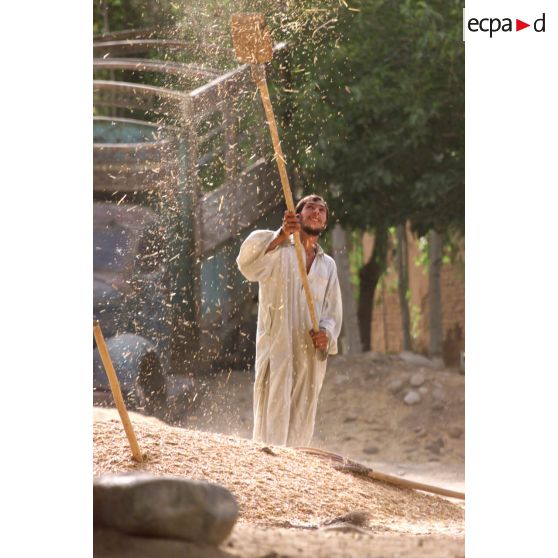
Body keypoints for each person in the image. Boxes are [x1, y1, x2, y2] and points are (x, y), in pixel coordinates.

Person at [236, 194, 342, 447]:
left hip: (308, 352)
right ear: (297, 214)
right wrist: (282, 234)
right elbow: (247, 265)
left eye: (321, 210)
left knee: (302, 415)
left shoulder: (328, 266)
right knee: (274, 408)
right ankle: (269, 466)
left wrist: (326, 333)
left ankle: (294, 468)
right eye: (310, 208)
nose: (316, 213)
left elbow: (333, 311)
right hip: (278, 347)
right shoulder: (278, 249)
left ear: (325, 222)